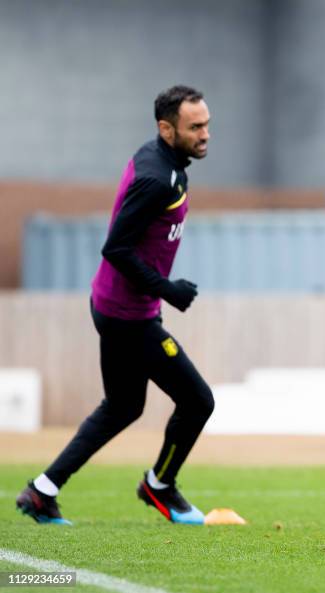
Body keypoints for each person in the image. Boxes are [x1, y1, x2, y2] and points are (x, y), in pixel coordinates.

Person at [16, 85, 215, 525]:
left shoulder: (165, 162)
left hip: (121, 307)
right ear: (166, 129)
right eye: (195, 126)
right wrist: (168, 289)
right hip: (129, 316)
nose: (205, 134)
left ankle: (41, 492)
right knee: (198, 401)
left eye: (207, 124)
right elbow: (116, 249)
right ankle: (159, 485)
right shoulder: (156, 178)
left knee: (122, 406)